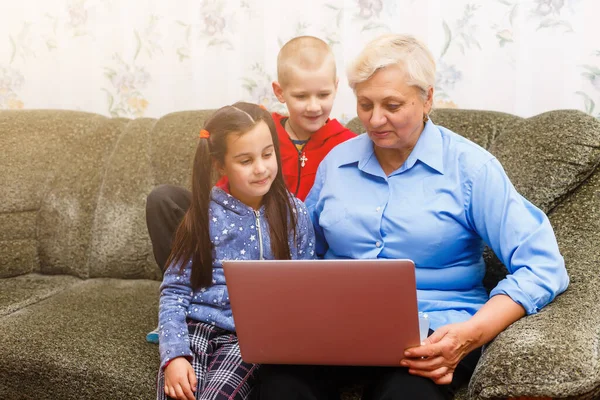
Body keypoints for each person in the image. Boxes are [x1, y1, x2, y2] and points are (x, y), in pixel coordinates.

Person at [252, 34, 570, 400]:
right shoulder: (337, 164)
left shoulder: (471, 169)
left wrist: (470, 334)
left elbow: (544, 266)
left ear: (427, 99)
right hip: (336, 331)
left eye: (392, 105)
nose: (374, 119)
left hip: (434, 334)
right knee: (278, 386)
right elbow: (303, 254)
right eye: (365, 104)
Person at [145, 35, 354, 343]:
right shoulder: (260, 131)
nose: (313, 106)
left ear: (336, 87)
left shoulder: (347, 146)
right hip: (241, 225)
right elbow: (226, 196)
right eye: (301, 96)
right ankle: (185, 304)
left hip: (293, 241)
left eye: (323, 94)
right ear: (280, 93)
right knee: (163, 199)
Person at [156, 102, 315, 400]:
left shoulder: (295, 214)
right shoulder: (202, 215)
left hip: (246, 338)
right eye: (245, 160)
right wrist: (174, 356)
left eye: (268, 154)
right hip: (194, 328)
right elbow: (173, 291)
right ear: (220, 164)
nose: (261, 168)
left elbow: (307, 288)